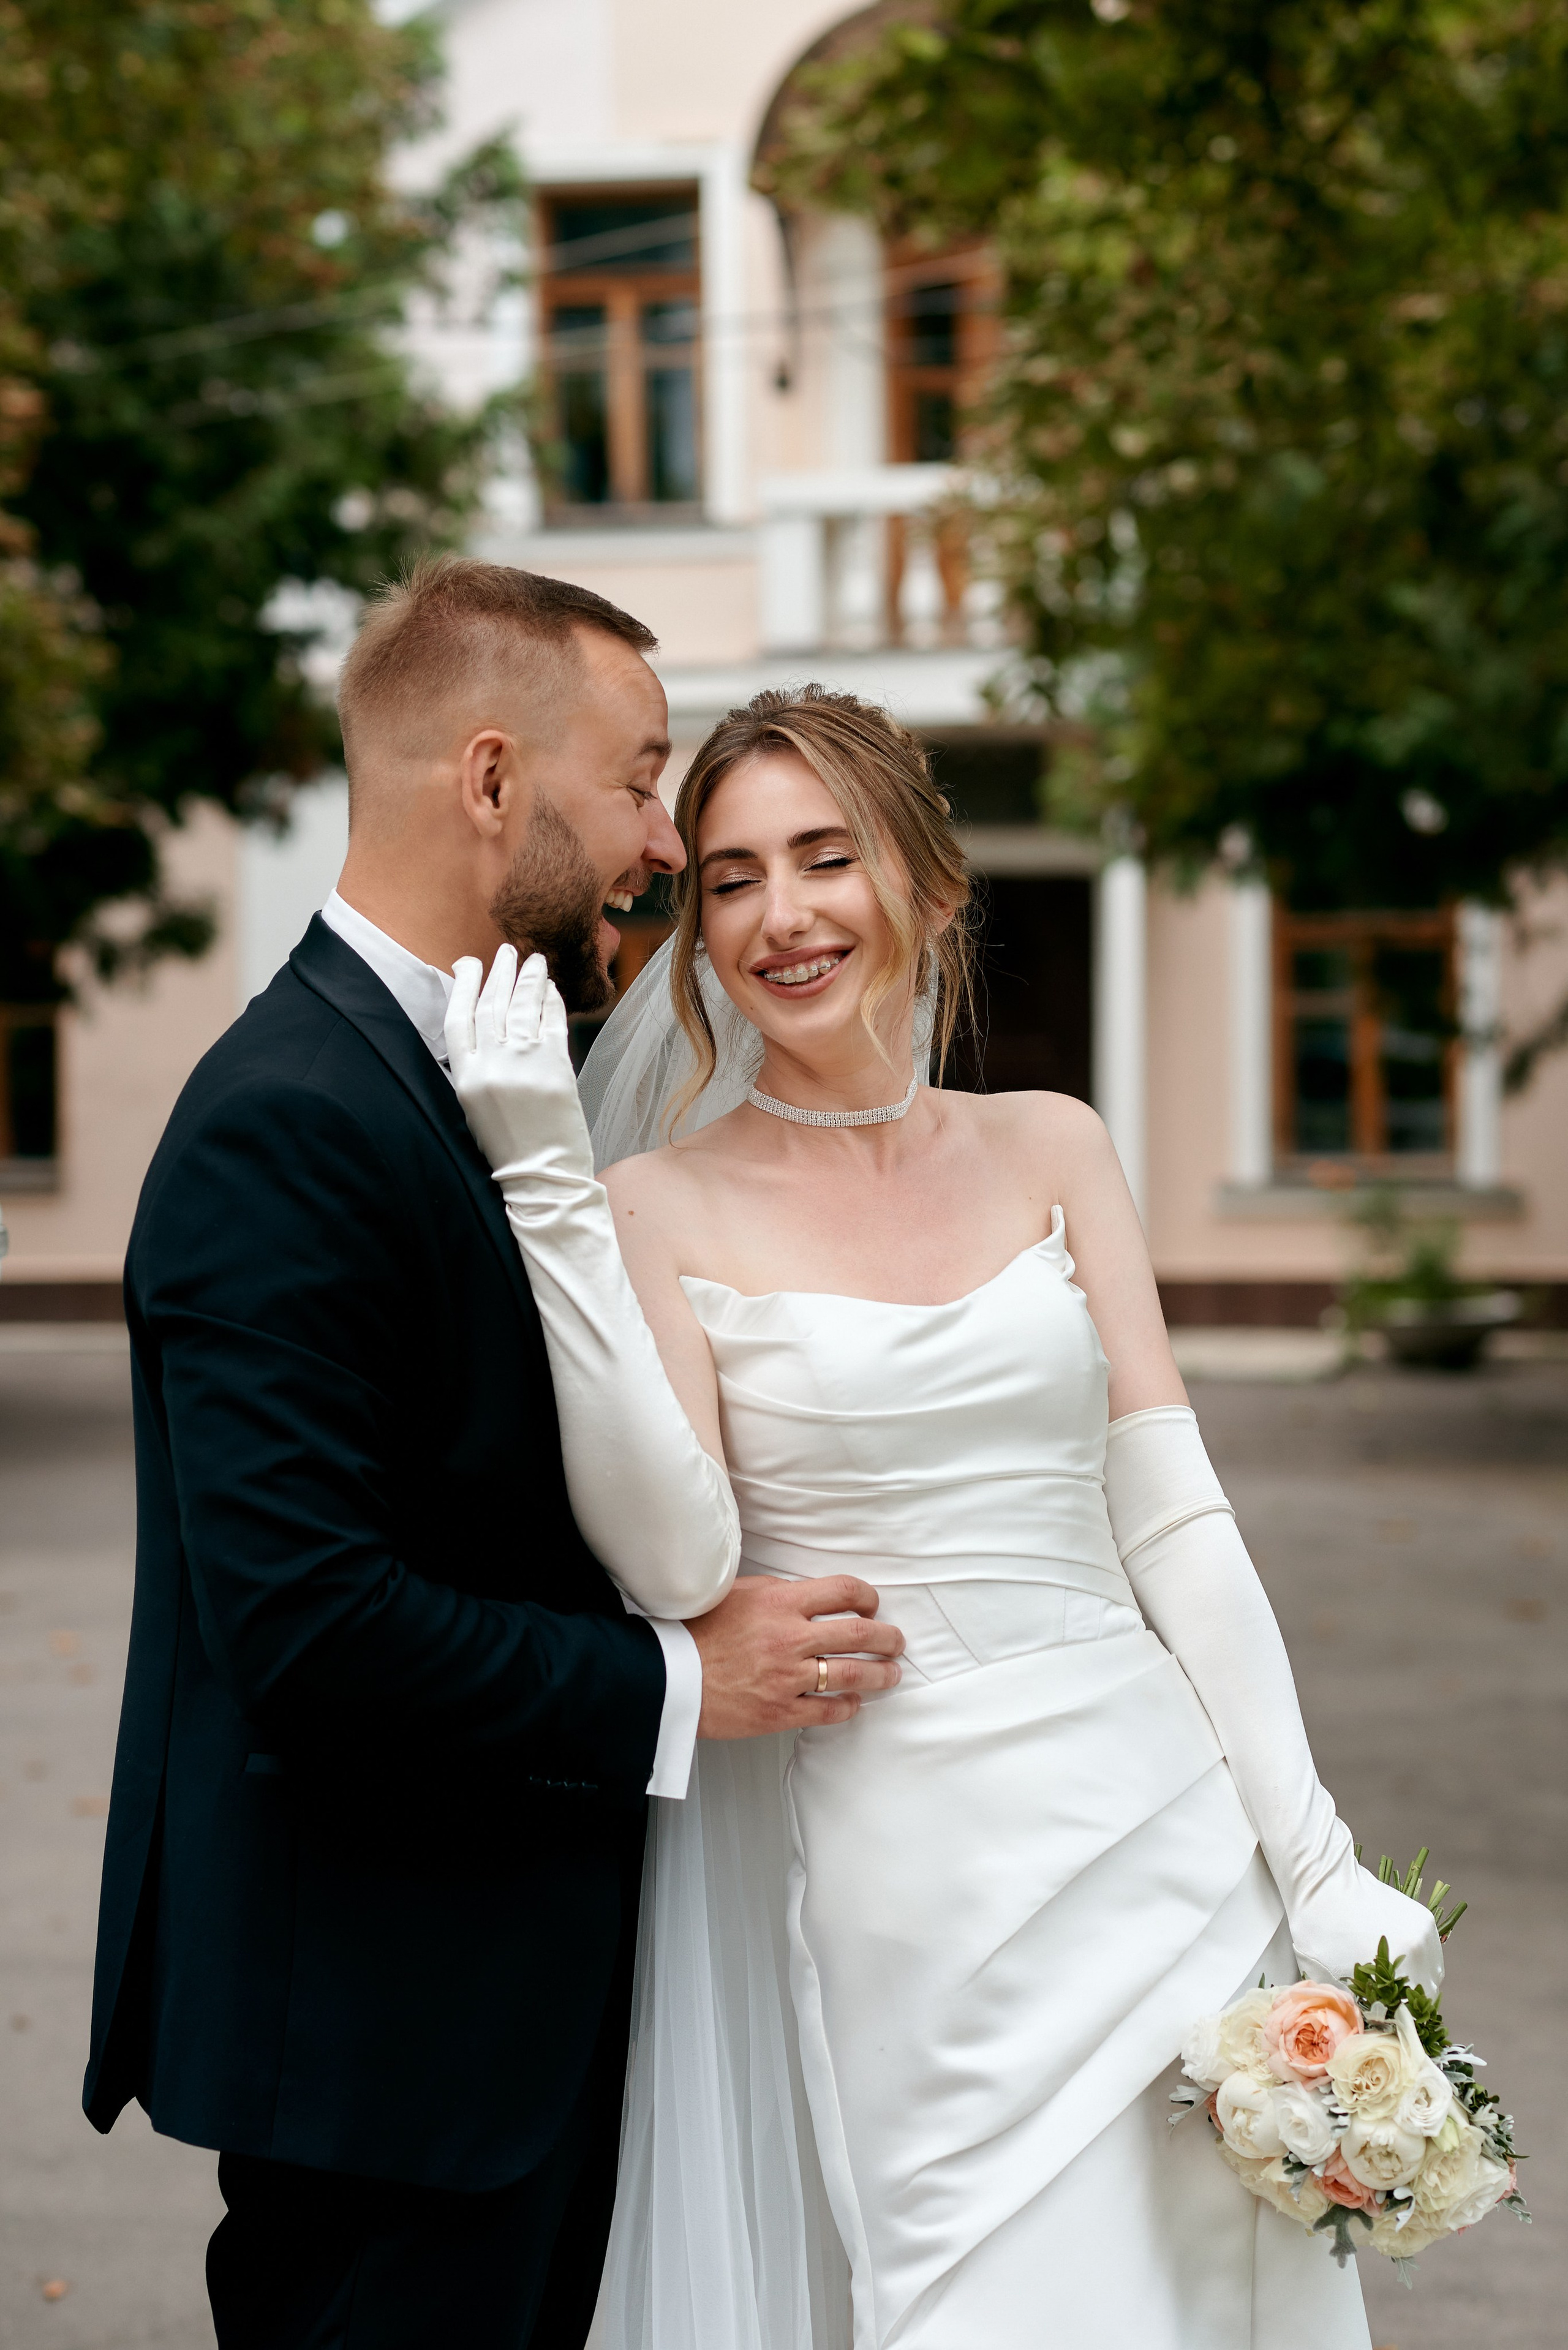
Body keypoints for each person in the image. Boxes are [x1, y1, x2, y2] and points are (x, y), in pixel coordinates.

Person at [449, 684, 1445, 2350]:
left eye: (826, 858)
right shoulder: (650, 1201)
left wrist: (1316, 1857)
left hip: (1165, 1836)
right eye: (735, 878)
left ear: (928, 885)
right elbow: (674, 1561)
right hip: (908, 1868)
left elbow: (1176, 1521)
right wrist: (551, 1192)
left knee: (1224, 2293)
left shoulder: (1055, 1146)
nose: (783, 914)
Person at [83, 565, 902, 2350]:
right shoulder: (286, 1122)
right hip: (389, 2044)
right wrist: (685, 1687)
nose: (662, 847)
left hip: (505, 2006)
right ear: (488, 781)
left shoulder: (477, 1065)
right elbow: (310, 1626)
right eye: (635, 782)